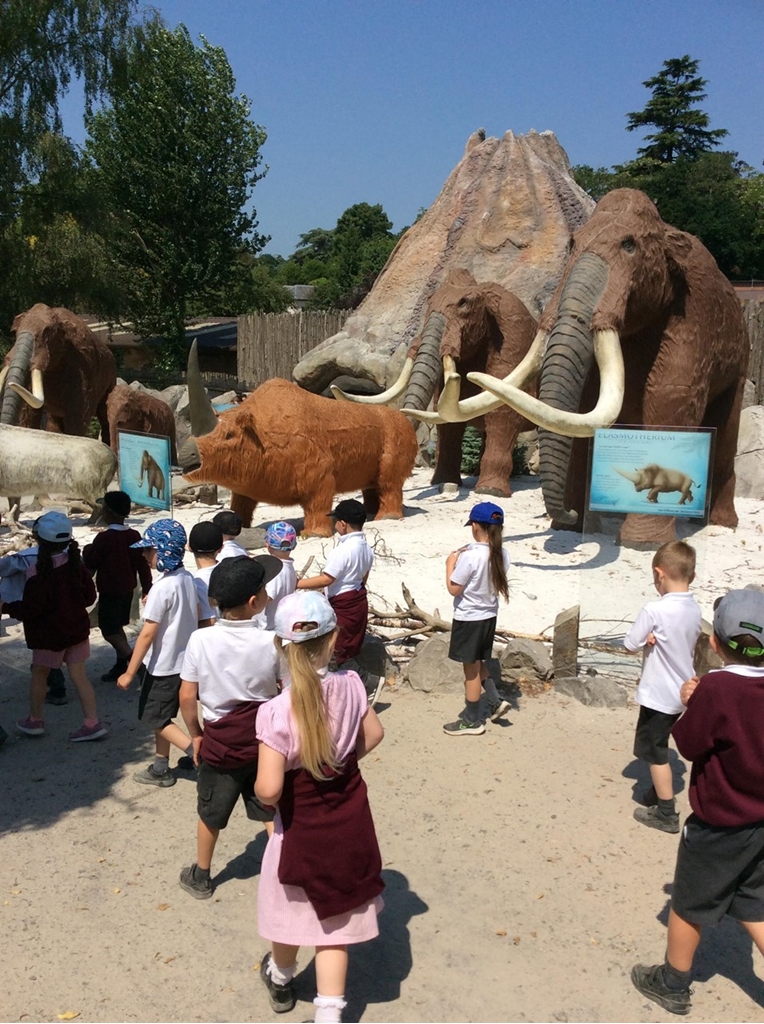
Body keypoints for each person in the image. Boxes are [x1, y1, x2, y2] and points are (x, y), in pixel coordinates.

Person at [631, 588, 764, 1016]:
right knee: (753, 902)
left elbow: (689, 744)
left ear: (715, 642)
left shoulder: (717, 688)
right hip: (760, 824)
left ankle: (672, 982)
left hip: (718, 822)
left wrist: (692, 702)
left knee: (688, 903)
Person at [255, 591, 385, 1023]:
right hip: (348, 822)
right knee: (334, 928)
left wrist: (264, 793)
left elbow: (269, 789)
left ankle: (280, 975)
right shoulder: (352, 686)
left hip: (299, 829)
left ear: (280, 646)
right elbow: (375, 734)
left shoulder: (276, 712)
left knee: (289, 912)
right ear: (333, 639)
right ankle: (329, 1013)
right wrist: (337, 764)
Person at [177, 554, 283, 899]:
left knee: (210, 813)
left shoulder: (201, 640)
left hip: (220, 743)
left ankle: (201, 874)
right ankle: (285, 867)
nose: (268, 594)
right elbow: (287, 690)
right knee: (270, 806)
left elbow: (187, 695)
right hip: (264, 741)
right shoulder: (272, 642)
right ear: (254, 602)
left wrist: (195, 734)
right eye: (264, 590)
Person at [2, 511, 107, 742]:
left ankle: (35, 720)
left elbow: (31, 609)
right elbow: (90, 598)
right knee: (79, 676)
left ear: (38, 539)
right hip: (77, 631)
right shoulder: (76, 565)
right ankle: (92, 722)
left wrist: (6, 607)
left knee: (39, 675)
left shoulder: (37, 573)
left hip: (48, 636)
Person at [624, 540, 701, 833]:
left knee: (655, 751)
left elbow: (630, 643)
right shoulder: (694, 609)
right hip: (681, 690)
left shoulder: (655, 610)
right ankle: (658, 792)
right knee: (659, 742)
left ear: (659, 574)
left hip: (658, 693)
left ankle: (666, 811)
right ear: (691, 575)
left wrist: (645, 638)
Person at [117, 519, 199, 786]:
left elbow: (147, 633)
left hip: (163, 666)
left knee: (154, 717)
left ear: (163, 551)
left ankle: (199, 756)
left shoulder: (162, 587)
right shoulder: (186, 578)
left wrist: (130, 672)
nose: (144, 555)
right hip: (183, 663)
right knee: (162, 718)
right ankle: (160, 766)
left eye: (149, 550)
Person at [443, 501, 511, 736]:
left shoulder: (470, 557)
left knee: (470, 670)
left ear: (475, 526)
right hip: (488, 616)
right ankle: (495, 700)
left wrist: (450, 564)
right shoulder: (503, 554)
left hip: (469, 618)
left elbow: (453, 588)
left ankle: (471, 720)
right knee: (477, 660)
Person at [82, 490, 154, 681]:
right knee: (117, 627)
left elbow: (91, 562)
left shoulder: (104, 539)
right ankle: (121, 664)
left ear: (107, 512)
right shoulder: (134, 536)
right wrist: (147, 588)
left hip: (110, 591)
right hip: (128, 590)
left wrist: (87, 550)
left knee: (108, 630)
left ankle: (135, 664)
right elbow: (142, 566)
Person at [297, 499, 373, 667]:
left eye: (335, 520)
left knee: (337, 648)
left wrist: (297, 583)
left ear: (343, 524)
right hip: (359, 599)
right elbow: (364, 577)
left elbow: (327, 579)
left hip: (342, 603)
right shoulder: (367, 548)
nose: (334, 524)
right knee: (352, 644)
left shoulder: (342, 550)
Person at [0, 532, 68, 705]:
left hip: (41, 617)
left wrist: (6, 607)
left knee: (45, 653)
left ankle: (54, 692)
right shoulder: (71, 557)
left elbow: (4, 567)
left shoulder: (27, 560)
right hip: (66, 611)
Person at [254, 521, 298, 631]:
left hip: (267, 627)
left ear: (267, 545)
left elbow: (267, 598)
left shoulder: (275, 571)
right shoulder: (289, 567)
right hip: (281, 624)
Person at [188, 521, 224, 627]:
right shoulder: (229, 570)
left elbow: (210, 620)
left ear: (189, 547)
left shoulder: (196, 582)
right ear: (221, 548)